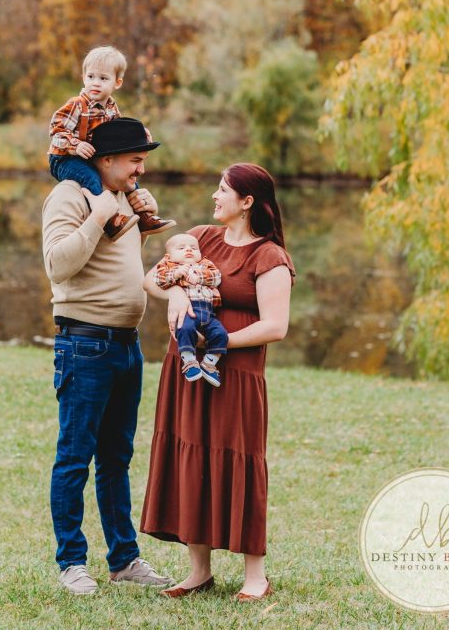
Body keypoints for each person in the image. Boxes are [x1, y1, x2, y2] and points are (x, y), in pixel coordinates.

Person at [140, 163, 295, 601]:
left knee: (239, 460)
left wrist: (220, 344)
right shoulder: (201, 237)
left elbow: (276, 326)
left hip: (237, 375)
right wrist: (173, 292)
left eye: (223, 190)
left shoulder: (269, 256)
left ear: (247, 202)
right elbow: (151, 276)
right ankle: (198, 572)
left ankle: (254, 576)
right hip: (186, 370)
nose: (215, 196)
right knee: (191, 456)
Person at [42, 117, 173, 596]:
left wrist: (145, 225)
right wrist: (98, 215)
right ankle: (72, 562)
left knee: (116, 458)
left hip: (126, 344)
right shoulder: (71, 197)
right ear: (107, 160)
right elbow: (58, 264)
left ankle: (124, 559)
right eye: (135, 160)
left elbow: (114, 261)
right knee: (75, 456)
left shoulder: (123, 198)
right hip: (85, 344)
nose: (141, 169)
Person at [48, 45, 175, 240]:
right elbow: (55, 130)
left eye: (103, 78)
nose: (95, 83)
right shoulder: (76, 104)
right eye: (90, 77)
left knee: (132, 183)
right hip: (65, 158)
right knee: (91, 178)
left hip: (90, 156)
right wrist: (75, 145)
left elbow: (119, 129)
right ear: (83, 77)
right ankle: (110, 221)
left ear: (117, 82)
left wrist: (142, 135)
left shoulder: (110, 107)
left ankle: (144, 218)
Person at [154, 233, 227, 387]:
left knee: (220, 334)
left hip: (208, 312)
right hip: (188, 311)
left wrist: (200, 277)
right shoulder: (169, 266)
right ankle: (189, 362)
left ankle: (209, 364)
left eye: (193, 248)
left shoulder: (205, 264)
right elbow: (158, 279)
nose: (188, 250)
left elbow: (217, 277)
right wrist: (175, 274)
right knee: (184, 329)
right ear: (169, 255)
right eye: (181, 248)